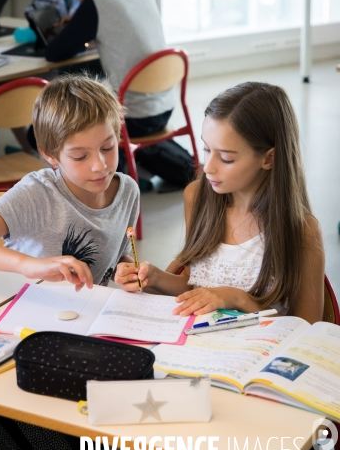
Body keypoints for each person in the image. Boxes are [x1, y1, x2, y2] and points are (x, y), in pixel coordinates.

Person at [115, 81, 325, 325]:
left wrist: (239, 299)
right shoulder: (197, 198)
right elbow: (196, 286)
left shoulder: (301, 230)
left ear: (269, 158)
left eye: (226, 159)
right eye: (206, 149)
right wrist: (154, 278)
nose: (208, 167)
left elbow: (308, 327)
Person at [0, 75, 139, 288]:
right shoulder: (38, 193)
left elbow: (117, 253)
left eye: (107, 148)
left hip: (83, 310)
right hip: (26, 307)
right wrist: (27, 264)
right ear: (50, 155)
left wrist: (125, 269)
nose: (100, 165)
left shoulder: (127, 191)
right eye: (80, 156)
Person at [45, 0, 175, 138]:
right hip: (164, 109)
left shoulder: (96, 4)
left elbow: (53, 53)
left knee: (48, 127)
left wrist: (76, 26)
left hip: (131, 118)